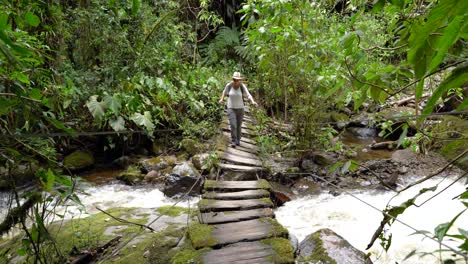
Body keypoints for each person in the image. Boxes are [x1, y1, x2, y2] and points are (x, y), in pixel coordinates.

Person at [219, 72, 257, 148]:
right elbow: (224, 92)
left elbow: (248, 94)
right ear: (233, 79)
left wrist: (253, 101)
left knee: (239, 126)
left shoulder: (242, 86)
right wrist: (221, 99)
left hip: (240, 109)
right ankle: (233, 141)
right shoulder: (229, 85)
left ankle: (238, 140)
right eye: (235, 79)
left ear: (240, 80)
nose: (236, 81)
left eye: (237, 80)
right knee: (233, 125)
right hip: (231, 108)